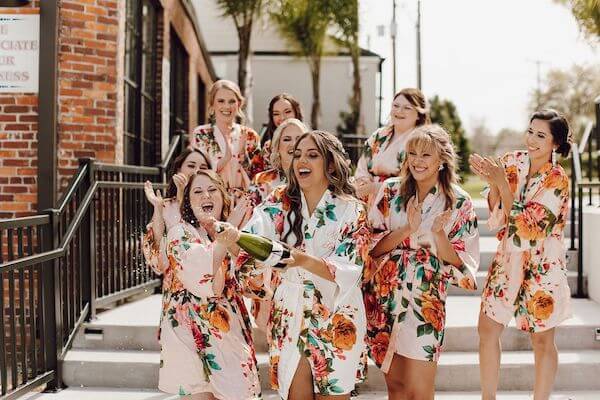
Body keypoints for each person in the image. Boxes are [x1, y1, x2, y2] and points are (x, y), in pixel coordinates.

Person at [221, 131, 370, 400]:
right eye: (297, 154)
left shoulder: (352, 210)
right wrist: (234, 240)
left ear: (331, 164)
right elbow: (252, 244)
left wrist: (302, 260)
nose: (302, 160)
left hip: (336, 311)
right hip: (290, 310)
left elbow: (350, 268)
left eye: (313, 155)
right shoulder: (277, 205)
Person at [364, 124, 479, 400]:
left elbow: (463, 263)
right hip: (385, 296)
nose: (417, 160)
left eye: (426, 155)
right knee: (397, 388)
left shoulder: (459, 202)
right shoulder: (390, 192)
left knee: (421, 390)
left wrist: (438, 234)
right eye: (412, 153)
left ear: (442, 160)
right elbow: (370, 248)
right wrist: (406, 230)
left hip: (426, 299)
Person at [471, 109, 572, 400]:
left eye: (541, 135)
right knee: (487, 329)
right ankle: (487, 398)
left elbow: (530, 227)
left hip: (544, 264)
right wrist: (493, 184)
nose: (531, 139)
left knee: (542, 340)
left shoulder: (557, 179)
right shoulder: (512, 162)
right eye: (530, 131)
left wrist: (501, 184)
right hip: (508, 260)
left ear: (555, 143)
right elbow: (498, 216)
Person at [151, 169, 262, 399]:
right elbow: (199, 272)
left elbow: (255, 283)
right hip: (187, 331)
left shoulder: (239, 231)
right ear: (188, 203)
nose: (206, 196)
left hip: (228, 329)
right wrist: (227, 233)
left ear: (223, 196)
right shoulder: (179, 231)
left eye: (212, 190)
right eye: (198, 192)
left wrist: (233, 238)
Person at [354, 88, 430, 205]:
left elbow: (415, 182)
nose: (399, 111)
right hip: (367, 198)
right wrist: (363, 183)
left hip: (400, 203)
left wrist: (376, 187)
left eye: (407, 108)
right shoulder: (379, 135)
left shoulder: (421, 141)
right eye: (396, 106)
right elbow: (362, 167)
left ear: (419, 115)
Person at [191, 80, 265, 194]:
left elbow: (258, 175)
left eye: (231, 101)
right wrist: (225, 159)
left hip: (244, 201)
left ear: (238, 104)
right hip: (211, 199)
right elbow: (197, 174)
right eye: (221, 101)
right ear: (212, 104)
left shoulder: (250, 136)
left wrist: (242, 156)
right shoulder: (201, 134)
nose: (226, 106)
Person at [260, 93, 304, 167]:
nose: (282, 118)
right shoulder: (267, 147)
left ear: (296, 112)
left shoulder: (310, 141)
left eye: (287, 112)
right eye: (276, 114)